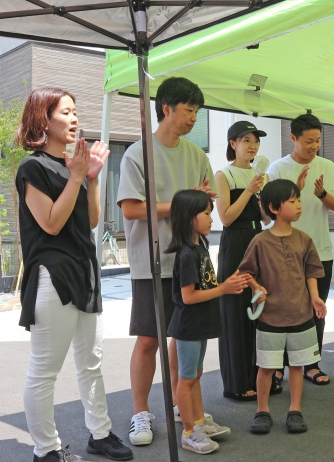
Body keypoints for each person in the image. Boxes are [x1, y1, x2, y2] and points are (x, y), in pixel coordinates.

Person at [15, 87, 133, 462]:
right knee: (44, 370)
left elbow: (91, 221)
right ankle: (46, 449)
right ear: (43, 120)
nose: (74, 118)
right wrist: (76, 177)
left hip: (84, 271)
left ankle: (100, 434)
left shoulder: (73, 168)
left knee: (91, 362)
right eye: (65, 112)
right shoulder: (32, 168)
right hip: (53, 277)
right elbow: (51, 224)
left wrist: (92, 179)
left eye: (75, 111)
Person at [117, 77, 217, 445]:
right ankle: (140, 412)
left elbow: (207, 201)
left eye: (197, 111)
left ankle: (182, 405)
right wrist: (182, 201)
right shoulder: (137, 153)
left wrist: (198, 202)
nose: (193, 118)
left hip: (189, 259)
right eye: (189, 110)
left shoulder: (197, 155)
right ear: (166, 109)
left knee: (184, 336)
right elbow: (131, 209)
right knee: (149, 339)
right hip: (151, 260)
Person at [238, 179, 326, 435]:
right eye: (292, 201)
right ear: (274, 208)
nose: (299, 205)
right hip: (269, 318)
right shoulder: (260, 241)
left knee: (297, 366)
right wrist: (256, 287)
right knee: (266, 368)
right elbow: (245, 272)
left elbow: (312, 272)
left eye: (299, 200)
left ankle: (295, 409)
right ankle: (262, 410)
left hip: (301, 315)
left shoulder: (304, 239)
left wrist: (315, 297)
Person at [166, 189, 250, 454]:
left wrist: (229, 282)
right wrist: (224, 288)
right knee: (187, 379)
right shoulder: (187, 254)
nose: (212, 218)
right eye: (206, 213)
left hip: (199, 325)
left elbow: (207, 285)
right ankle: (189, 431)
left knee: (195, 375)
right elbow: (188, 296)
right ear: (190, 218)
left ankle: (199, 421)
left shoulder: (200, 248)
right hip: (189, 326)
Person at [267, 113, 334, 386]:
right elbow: (267, 213)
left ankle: (311, 364)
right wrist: (296, 190)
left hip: (319, 252)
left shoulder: (327, 166)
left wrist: (322, 194)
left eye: (318, 140)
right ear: (293, 138)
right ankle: (278, 367)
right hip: (283, 252)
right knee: (282, 310)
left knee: (317, 309)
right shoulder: (277, 169)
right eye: (308, 141)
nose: (314, 146)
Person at [215, 120, 270, 402]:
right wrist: (249, 190)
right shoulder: (223, 174)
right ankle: (236, 382)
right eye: (246, 140)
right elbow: (225, 218)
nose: (253, 145)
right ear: (232, 144)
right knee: (236, 312)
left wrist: (267, 196)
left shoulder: (261, 175)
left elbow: (266, 218)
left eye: (256, 141)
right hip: (235, 242)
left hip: (258, 240)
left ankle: (261, 378)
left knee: (260, 309)